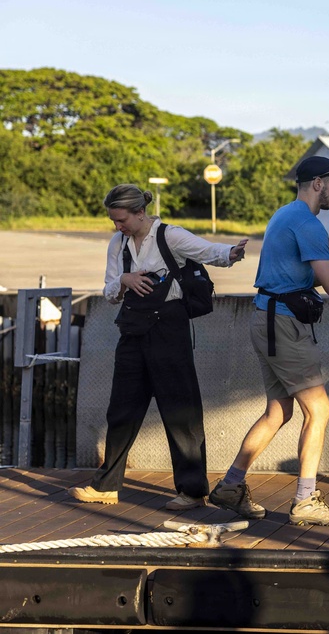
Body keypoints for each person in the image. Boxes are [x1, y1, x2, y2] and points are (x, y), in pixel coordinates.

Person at [209, 156, 329, 527]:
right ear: (317, 184)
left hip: (266, 319)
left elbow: (297, 276)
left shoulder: (285, 215)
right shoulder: (309, 224)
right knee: (319, 410)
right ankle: (305, 500)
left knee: (278, 411)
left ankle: (231, 485)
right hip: (283, 324)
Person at [69, 183, 248, 510]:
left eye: (122, 219)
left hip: (169, 328)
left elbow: (207, 251)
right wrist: (124, 281)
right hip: (133, 329)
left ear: (140, 212)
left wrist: (231, 253)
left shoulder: (169, 235)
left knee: (180, 410)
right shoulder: (118, 242)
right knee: (121, 410)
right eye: (113, 220)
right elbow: (109, 291)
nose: (117, 226)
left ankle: (192, 492)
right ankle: (106, 486)